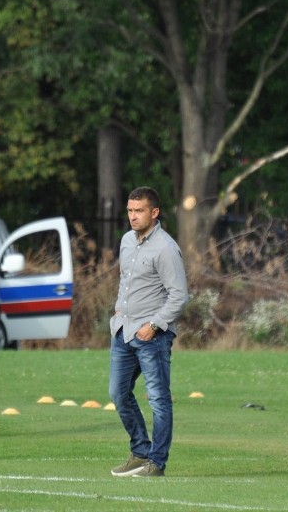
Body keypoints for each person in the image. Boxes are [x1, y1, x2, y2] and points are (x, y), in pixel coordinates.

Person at [109, 186, 188, 477]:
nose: (133, 216)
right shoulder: (127, 241)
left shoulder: (166, 248)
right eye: (130, 210)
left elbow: (179, 296)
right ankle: (140, 451)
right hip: (123, 331)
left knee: (158, 399)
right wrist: (119, 311)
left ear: (154, 213)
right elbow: (125, 281)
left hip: (151, 336)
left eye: (139, 210)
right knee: (117, 393)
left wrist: (153, 325)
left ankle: (157, 462)